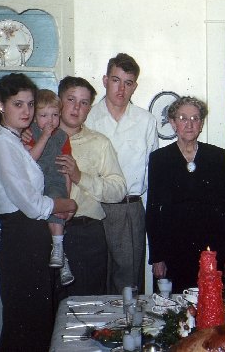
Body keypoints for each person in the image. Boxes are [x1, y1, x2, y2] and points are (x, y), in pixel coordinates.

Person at [0, 73, 77, 352]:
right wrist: (67, 205)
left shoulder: (12, 141)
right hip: (21, 240)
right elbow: (32, 204)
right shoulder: (1, 144)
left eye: (30, 104)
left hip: (31, 240)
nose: (27, 111)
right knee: (25, 328)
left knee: (35, 325)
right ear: (1, 106)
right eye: (18, 104)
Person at [146, 96, 225, 293]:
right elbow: (153, 210)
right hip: (173, 249)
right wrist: (157, 257)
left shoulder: (217, 156)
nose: (189, 124)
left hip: (211, 248)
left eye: (195, 118)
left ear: (202, 124)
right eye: (183, 118)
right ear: (172, 123)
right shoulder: (159, 159)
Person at [85, 53, 158, 294]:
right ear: (105, 80)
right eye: (116, 80)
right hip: (93, 207)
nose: (121, 89)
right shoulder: (87, 117)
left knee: (128, 282)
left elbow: (151, 169)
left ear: (134, 86)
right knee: (93, 278)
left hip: (129, 208)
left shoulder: (145, 121)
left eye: (128, 83)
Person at [55, 76, 127, 296]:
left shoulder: (99, 143)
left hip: (85, 235)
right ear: (59, 101)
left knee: (86, 308)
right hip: (44, 234)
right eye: (71, 99)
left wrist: (80, 176)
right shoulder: (38, 140)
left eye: (84, 103)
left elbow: (118, 189)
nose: (77, 108)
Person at [23, 89, 75, 286]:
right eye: (44, 116)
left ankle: (59, 251)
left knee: (55, 200)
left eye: (54, 115)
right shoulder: (29, 134)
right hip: (36, 184)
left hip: (54, 183)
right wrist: (43, 136)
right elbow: (30, 159)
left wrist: (66, 197)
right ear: (34, 117)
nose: (50, 121)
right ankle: (63, 260)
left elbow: (65, 170)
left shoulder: (62, 137)